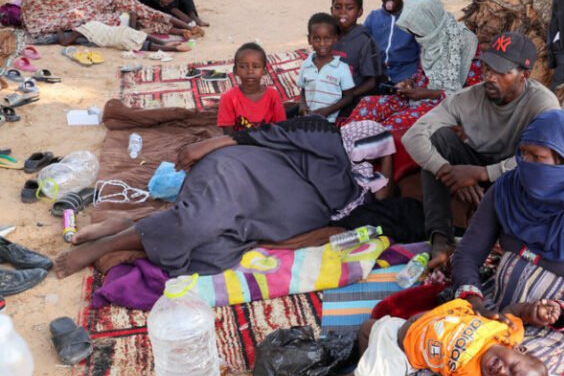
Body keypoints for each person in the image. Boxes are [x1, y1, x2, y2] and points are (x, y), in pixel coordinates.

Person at [53, 117, 395, 279]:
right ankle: (104, 246)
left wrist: (388, 158)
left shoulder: (358, 195)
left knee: (213, 253)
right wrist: (207, 144)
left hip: (260, 214)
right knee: (199, 221)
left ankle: (134, 224)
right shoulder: (323, 133)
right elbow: (267, 133)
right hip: (240, 173)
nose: (367, 157)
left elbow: (384, 194)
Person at [451, 109, 564, 375]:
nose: (526, 163)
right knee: (444, 351)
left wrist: (559, 312)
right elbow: (468, 253)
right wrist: (475, 302)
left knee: (493, 373)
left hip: (557, 329)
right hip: (497, 306)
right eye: (523, 153)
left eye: (538, 157)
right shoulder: (507, 190)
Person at [402, 32, 560, 263]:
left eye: (501, 72)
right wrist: (448, 173)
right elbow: (413, 136)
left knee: (539, 171)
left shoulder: (543, 104)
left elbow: (546, 159)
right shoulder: (467, 98)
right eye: (487, 68)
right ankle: (440, 239)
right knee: (438, 138)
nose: (490, 77)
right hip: (471, 165)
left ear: (524, 75)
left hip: (514, 175)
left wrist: (482, 174)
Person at [309, 299, 549, 376]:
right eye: (512, 368)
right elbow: (515, 311)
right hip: (398, 326)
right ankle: (368, 352)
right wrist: (531, 311)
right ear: (519, 349)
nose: (501, 372)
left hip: (401, 354)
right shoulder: (508, 331)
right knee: (369, 329)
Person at [344, 0, 481, 133]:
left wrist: (428, 94)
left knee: (392, 125)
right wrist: (409, 82)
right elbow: (423, 73)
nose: (417, 37)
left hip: (444, 107)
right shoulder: (432, 38)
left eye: (417, 32)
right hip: (416, 97)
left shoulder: (466, 46)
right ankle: (344, 138)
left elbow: (471, 96)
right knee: (368, 104)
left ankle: (367, 141)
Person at [20, 0, 194, 36]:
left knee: (146, 15)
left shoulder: (123, 2)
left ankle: (188, 28)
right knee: (144, 19)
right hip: (105, 2)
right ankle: (186, 29)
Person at [331, 0, 383, 119]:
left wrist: (349, 95)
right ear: (331, 10)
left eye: (349, 8)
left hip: (352, 99)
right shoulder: (329, 37)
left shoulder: (365, 41)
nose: (343, 12)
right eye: (338, 7)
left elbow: (372, 82)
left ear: (359, 12)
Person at [363, 0, 420, 86]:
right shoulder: (373, 17)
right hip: (378, 77)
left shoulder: (414, 17)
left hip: (406, 77)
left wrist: (413, 79)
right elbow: (362, 46)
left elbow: (424, 53)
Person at [297, 13, 355, 123]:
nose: (322, 44)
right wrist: (302, 106)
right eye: (317, 39)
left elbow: (349, 97)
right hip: (308, 119)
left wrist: (327, 111)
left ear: (335, 39)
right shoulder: (306, 64)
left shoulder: (342, 68)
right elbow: (304, 90)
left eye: (327, 39)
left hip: (331, 121)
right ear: (309, 39)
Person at [217, 42, 286, 133]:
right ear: (235, 70)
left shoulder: (273, 95)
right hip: (239, 141)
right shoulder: (228, 98)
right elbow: (228, 134)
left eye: (256, 66)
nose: (250, 71)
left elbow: (281, 128)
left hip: (269, 141)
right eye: (243, 67)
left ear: (264, 71)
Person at [57, 19, 192, 53]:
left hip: (118, 39)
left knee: (145, 46)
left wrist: (59, 31)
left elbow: (64, 43)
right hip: (121, 30)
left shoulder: (80, 30)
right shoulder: (94, 23)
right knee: (141, 35)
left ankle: (174, 49)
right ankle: (164, 44)